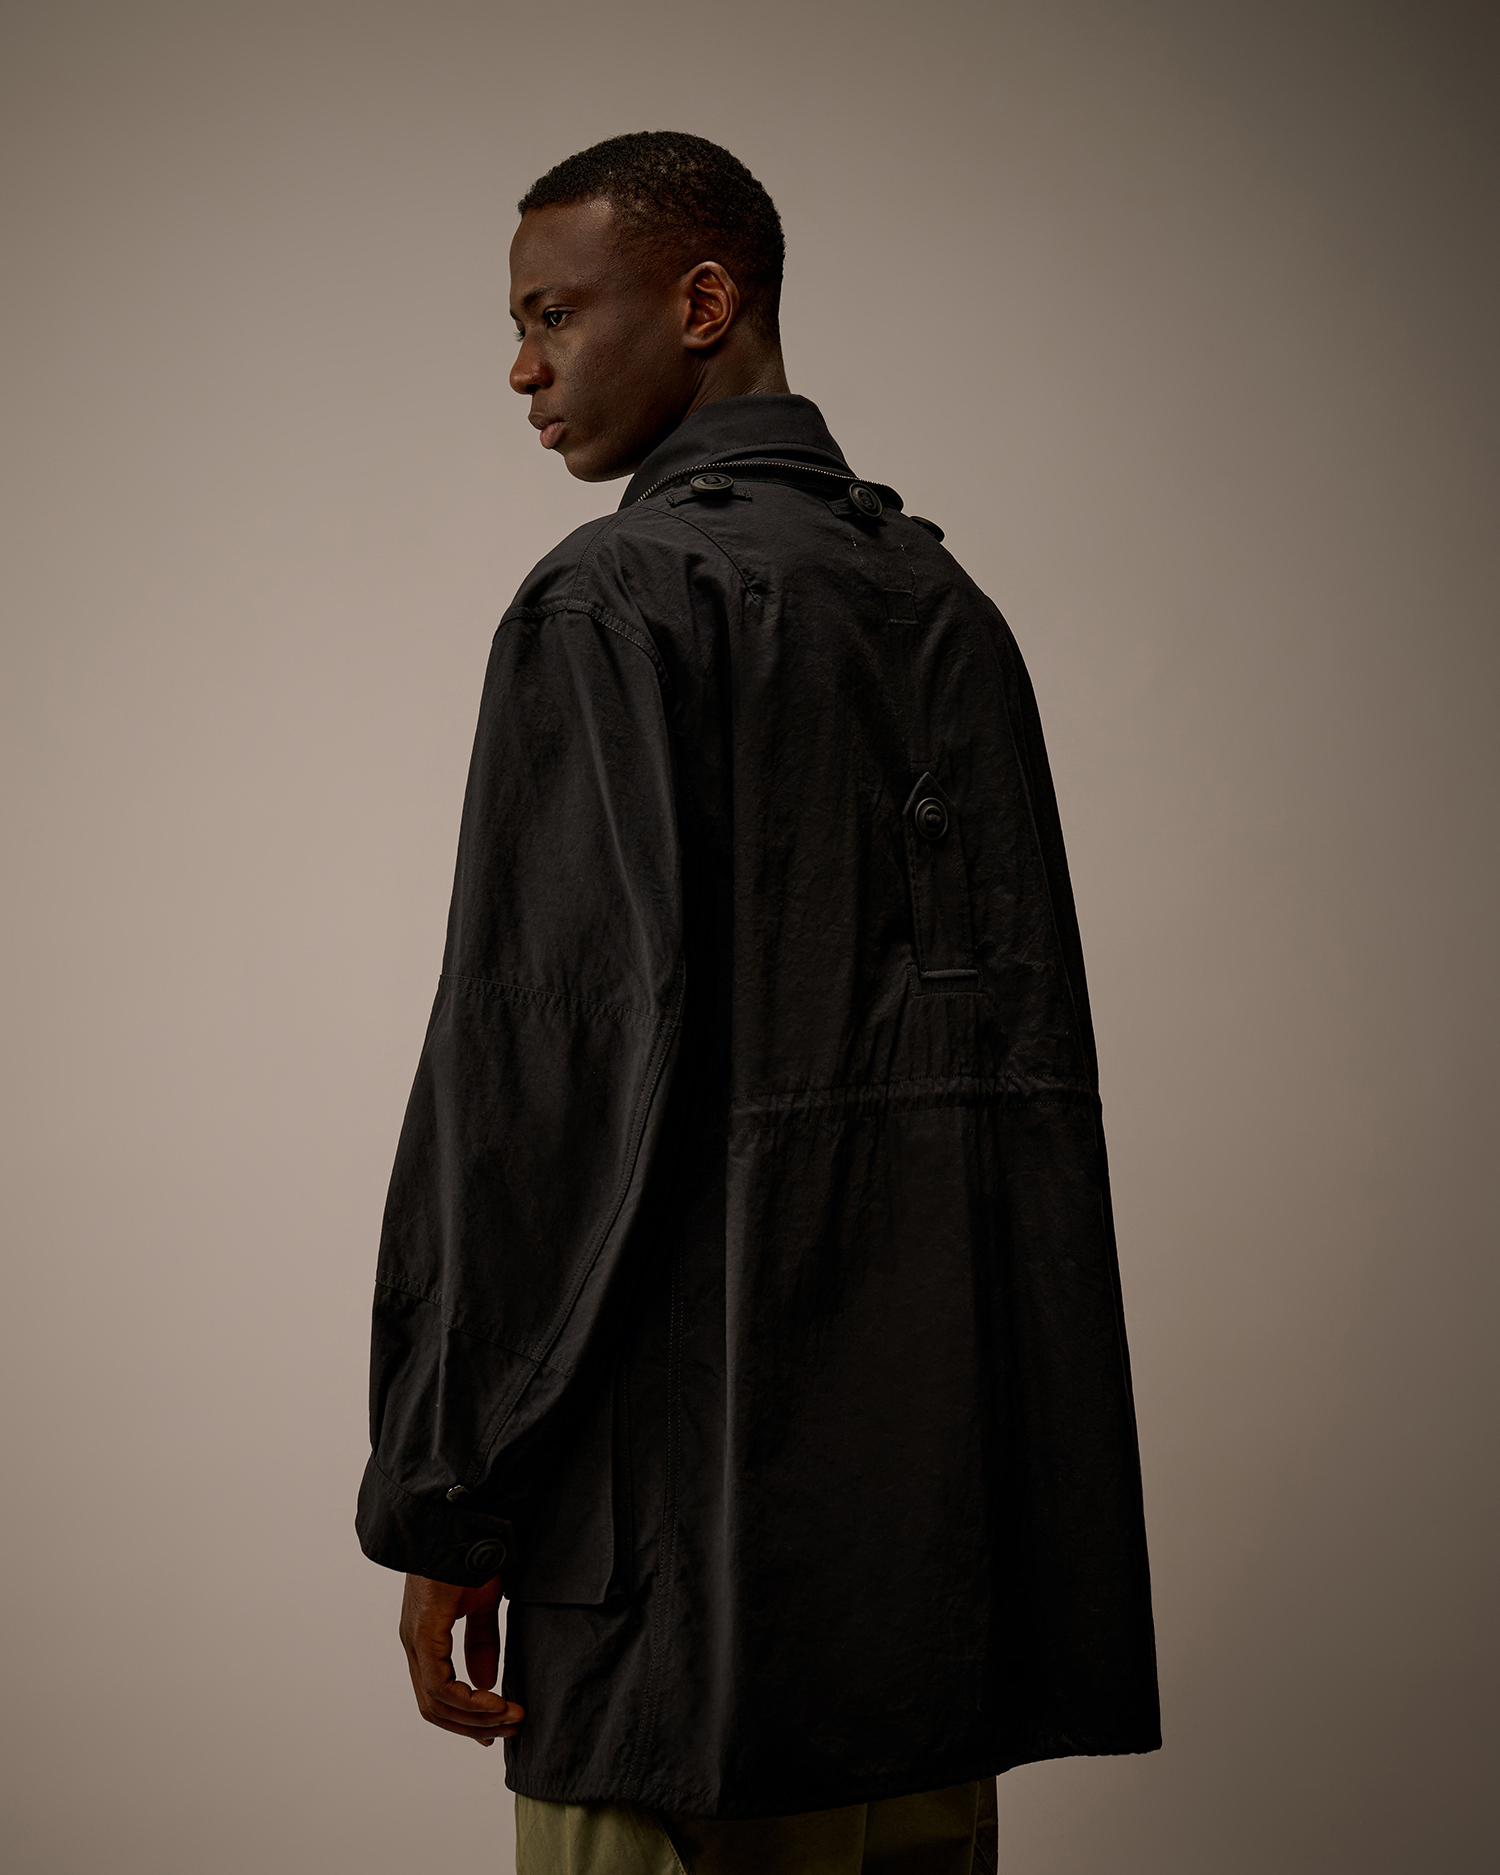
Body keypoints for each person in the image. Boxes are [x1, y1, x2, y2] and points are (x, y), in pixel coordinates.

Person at [356, 131, 1159, 1874]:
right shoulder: (945, 603)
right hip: (929, 1605)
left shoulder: (612, 598)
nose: (522, 369)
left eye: (552, 315)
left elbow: (546, 1085)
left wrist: (451, 1493)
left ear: (704, 300)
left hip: (675, 1608)